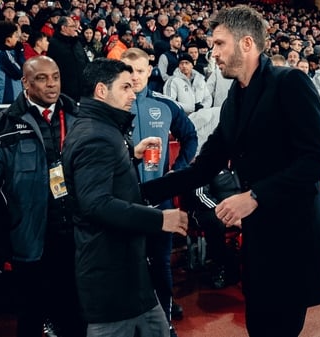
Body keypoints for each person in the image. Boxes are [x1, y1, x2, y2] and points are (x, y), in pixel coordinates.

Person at [140, 6, 320, 337]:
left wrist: (256, 196)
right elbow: (204, 167)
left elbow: (318, 159)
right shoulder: (235, 99)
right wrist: (141, 192)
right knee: (258, 327)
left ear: (246, 43)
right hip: (260, 237)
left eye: (219, 44)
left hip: (294, 236)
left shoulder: (290, 82)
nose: (212, 53)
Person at [61, 58, 188, 337]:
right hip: (110, 273)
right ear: (101, 91)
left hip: (125, 266)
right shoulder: (96, 135)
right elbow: (96, 203)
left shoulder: (102, 128)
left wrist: (130, 156)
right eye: (126, 87)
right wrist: (159, 219)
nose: (133, 94)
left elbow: (102, 180)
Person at [0, 56, 86, 337]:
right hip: (30, 237)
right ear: (25, 82)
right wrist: (1, 240)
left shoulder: (79, 118)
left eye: (56, 76)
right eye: (42, 78)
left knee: (77, 313)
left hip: (76, 234)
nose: (52, 84)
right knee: (31, 314)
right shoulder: (0, 126)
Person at [121, 48, 198, 337]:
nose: (135, 76)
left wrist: (176, 172)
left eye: (140, 70)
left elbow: (190, 136)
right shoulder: (111, 107)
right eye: (129, 70)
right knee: (128, 265)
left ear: (149, 69)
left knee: (161, 263)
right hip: (124, 201)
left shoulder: (165, 105)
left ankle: (164, 324)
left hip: (159, 199)